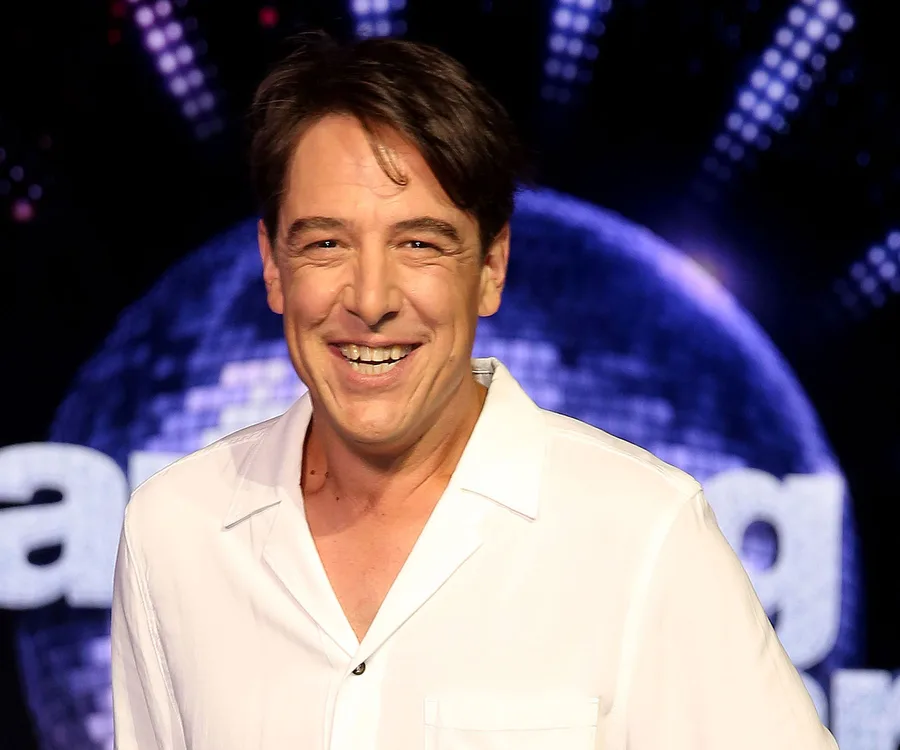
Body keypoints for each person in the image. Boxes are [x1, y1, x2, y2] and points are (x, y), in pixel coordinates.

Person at [110, 32, 838, 750]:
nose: (370, 298)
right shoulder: (174, 531)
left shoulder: (644, 532)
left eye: (419, 243)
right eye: (326, 242)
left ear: (491, 266)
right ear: (273, 266)